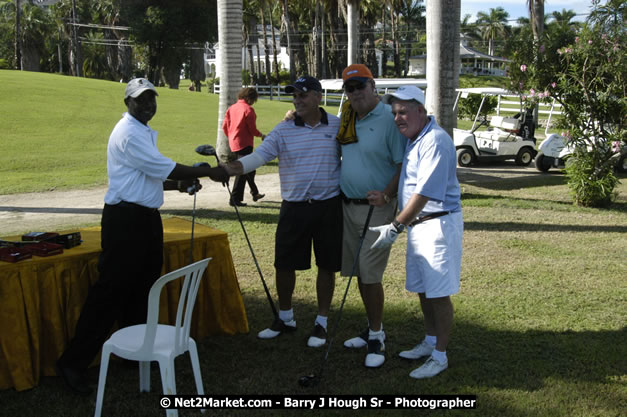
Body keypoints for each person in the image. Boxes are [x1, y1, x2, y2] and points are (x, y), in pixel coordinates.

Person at [56, 78, 228, 395]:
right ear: (128, 103)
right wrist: (207, 172)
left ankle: (135, 355)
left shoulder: (142, 132)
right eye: (141, 100)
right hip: (124, 221)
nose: (148, 105)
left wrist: (178, 185)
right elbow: (164, 167)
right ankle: (73, 362)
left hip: (145, 219)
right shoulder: (128, 134)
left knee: (143, 287)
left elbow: (147, 176)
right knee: (110, 291)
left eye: (152, 99)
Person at [221, 76, 342, 348]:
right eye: (295, 96)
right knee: (284, 263)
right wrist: (232, 168)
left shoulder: (337, 125)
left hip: (328, 206)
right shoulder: (283, 130)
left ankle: (322, 322)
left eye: (303, 95)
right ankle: (285, 317)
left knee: (327, 264)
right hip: (294, 207)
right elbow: (259, 156)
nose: (297, 100)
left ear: (318, 97)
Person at [370, 85, 463, 379]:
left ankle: (440, 355)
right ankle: (431, 340)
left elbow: (423, 193)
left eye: (404, 111)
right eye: (395, 112)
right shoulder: (415, 138)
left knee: (438, 293)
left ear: (421, 111)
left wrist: (395, 226)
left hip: (437, 223)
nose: (398, 118)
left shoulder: (435, 140)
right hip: (420, 226)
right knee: (424, 290)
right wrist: (388, 198)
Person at [337, 64, 407, 368]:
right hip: (347, 207)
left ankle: (377, 336)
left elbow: (401, 164)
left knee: (370, 272)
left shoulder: (389, 119)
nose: (355, 93)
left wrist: (388, 195)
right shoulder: (347, 116)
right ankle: (371, 328)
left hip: (377, 209)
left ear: (373, 86)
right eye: (349, 89)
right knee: (359, 273)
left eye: (360, 86)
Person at [222, 87, 266, 206]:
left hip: (234, 143)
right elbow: (252, 129)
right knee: (243, 171)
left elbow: (224, 126)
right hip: (245, 143)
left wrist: (231, 137)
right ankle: (234, 199)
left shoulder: (231, 108)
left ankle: (254, 192)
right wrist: (261, 135)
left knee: (249, 169)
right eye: (253, 99)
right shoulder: (248, 110)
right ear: (249, 98)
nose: (253, 102)